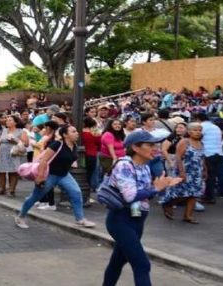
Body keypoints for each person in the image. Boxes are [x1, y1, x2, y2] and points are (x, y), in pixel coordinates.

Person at [102, 131, 183, 286]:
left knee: (117, 262)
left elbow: (146, 196)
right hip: (121, 221)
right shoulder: (124, 165)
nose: (156, 148)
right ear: (136, 147)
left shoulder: (145, 167)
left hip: (137, 220)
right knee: (142, 264)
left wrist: (163, 185)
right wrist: (155, 188)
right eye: (150, 145)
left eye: (156, 144)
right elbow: (130, 196)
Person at [15, 124, 96, 228]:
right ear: (65, 134)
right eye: (73, 131)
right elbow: (44, 160)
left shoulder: (74, 145)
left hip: (64, 175)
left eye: (76, 131)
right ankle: (20, 216)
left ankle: (80, 219)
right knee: (35, 196)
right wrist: (40, 177)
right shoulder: (57, 144)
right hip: (50, 175)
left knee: (76, 193)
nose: (77, 133)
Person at [161, 123, 206, 223]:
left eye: (200, 130)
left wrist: (204, 170)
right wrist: (182, 173)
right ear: (189, 132)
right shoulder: (184, 142)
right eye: (195, 130)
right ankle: (168, 204)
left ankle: (188, 216)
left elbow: (202, 158)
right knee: (181, 193)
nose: (198, 132)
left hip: (196, 171)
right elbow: (178, 157)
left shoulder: (201, 143)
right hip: (185, 170)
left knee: (194, 194)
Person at [195, 112, 223, 204]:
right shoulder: (216, 127)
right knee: (213, 176)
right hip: (218, 153)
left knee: (207, 176)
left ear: (198, 119)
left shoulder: (201, 127)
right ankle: (211, 195)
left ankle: (209, 197)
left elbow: (197, 137)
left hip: (208, 154)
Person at [0, 115, 28, 196]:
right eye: (7, 120)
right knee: (1, 171)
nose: (7, 121)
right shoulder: (2, 131)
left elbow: (26, 144)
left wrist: (15, 140)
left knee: (13, 172)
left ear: (15, 122)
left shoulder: (21, 131)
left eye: (10, 120)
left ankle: (12, 190)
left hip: (14, 154)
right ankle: (2, 189)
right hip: (2, 154)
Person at [82, 117, 102, 193]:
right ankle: (89, 186)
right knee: (91, 172)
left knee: (83, 171)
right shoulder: (95, 133)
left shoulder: (81, 133)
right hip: (92, 154)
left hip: (83, 154)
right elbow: (99, 144)